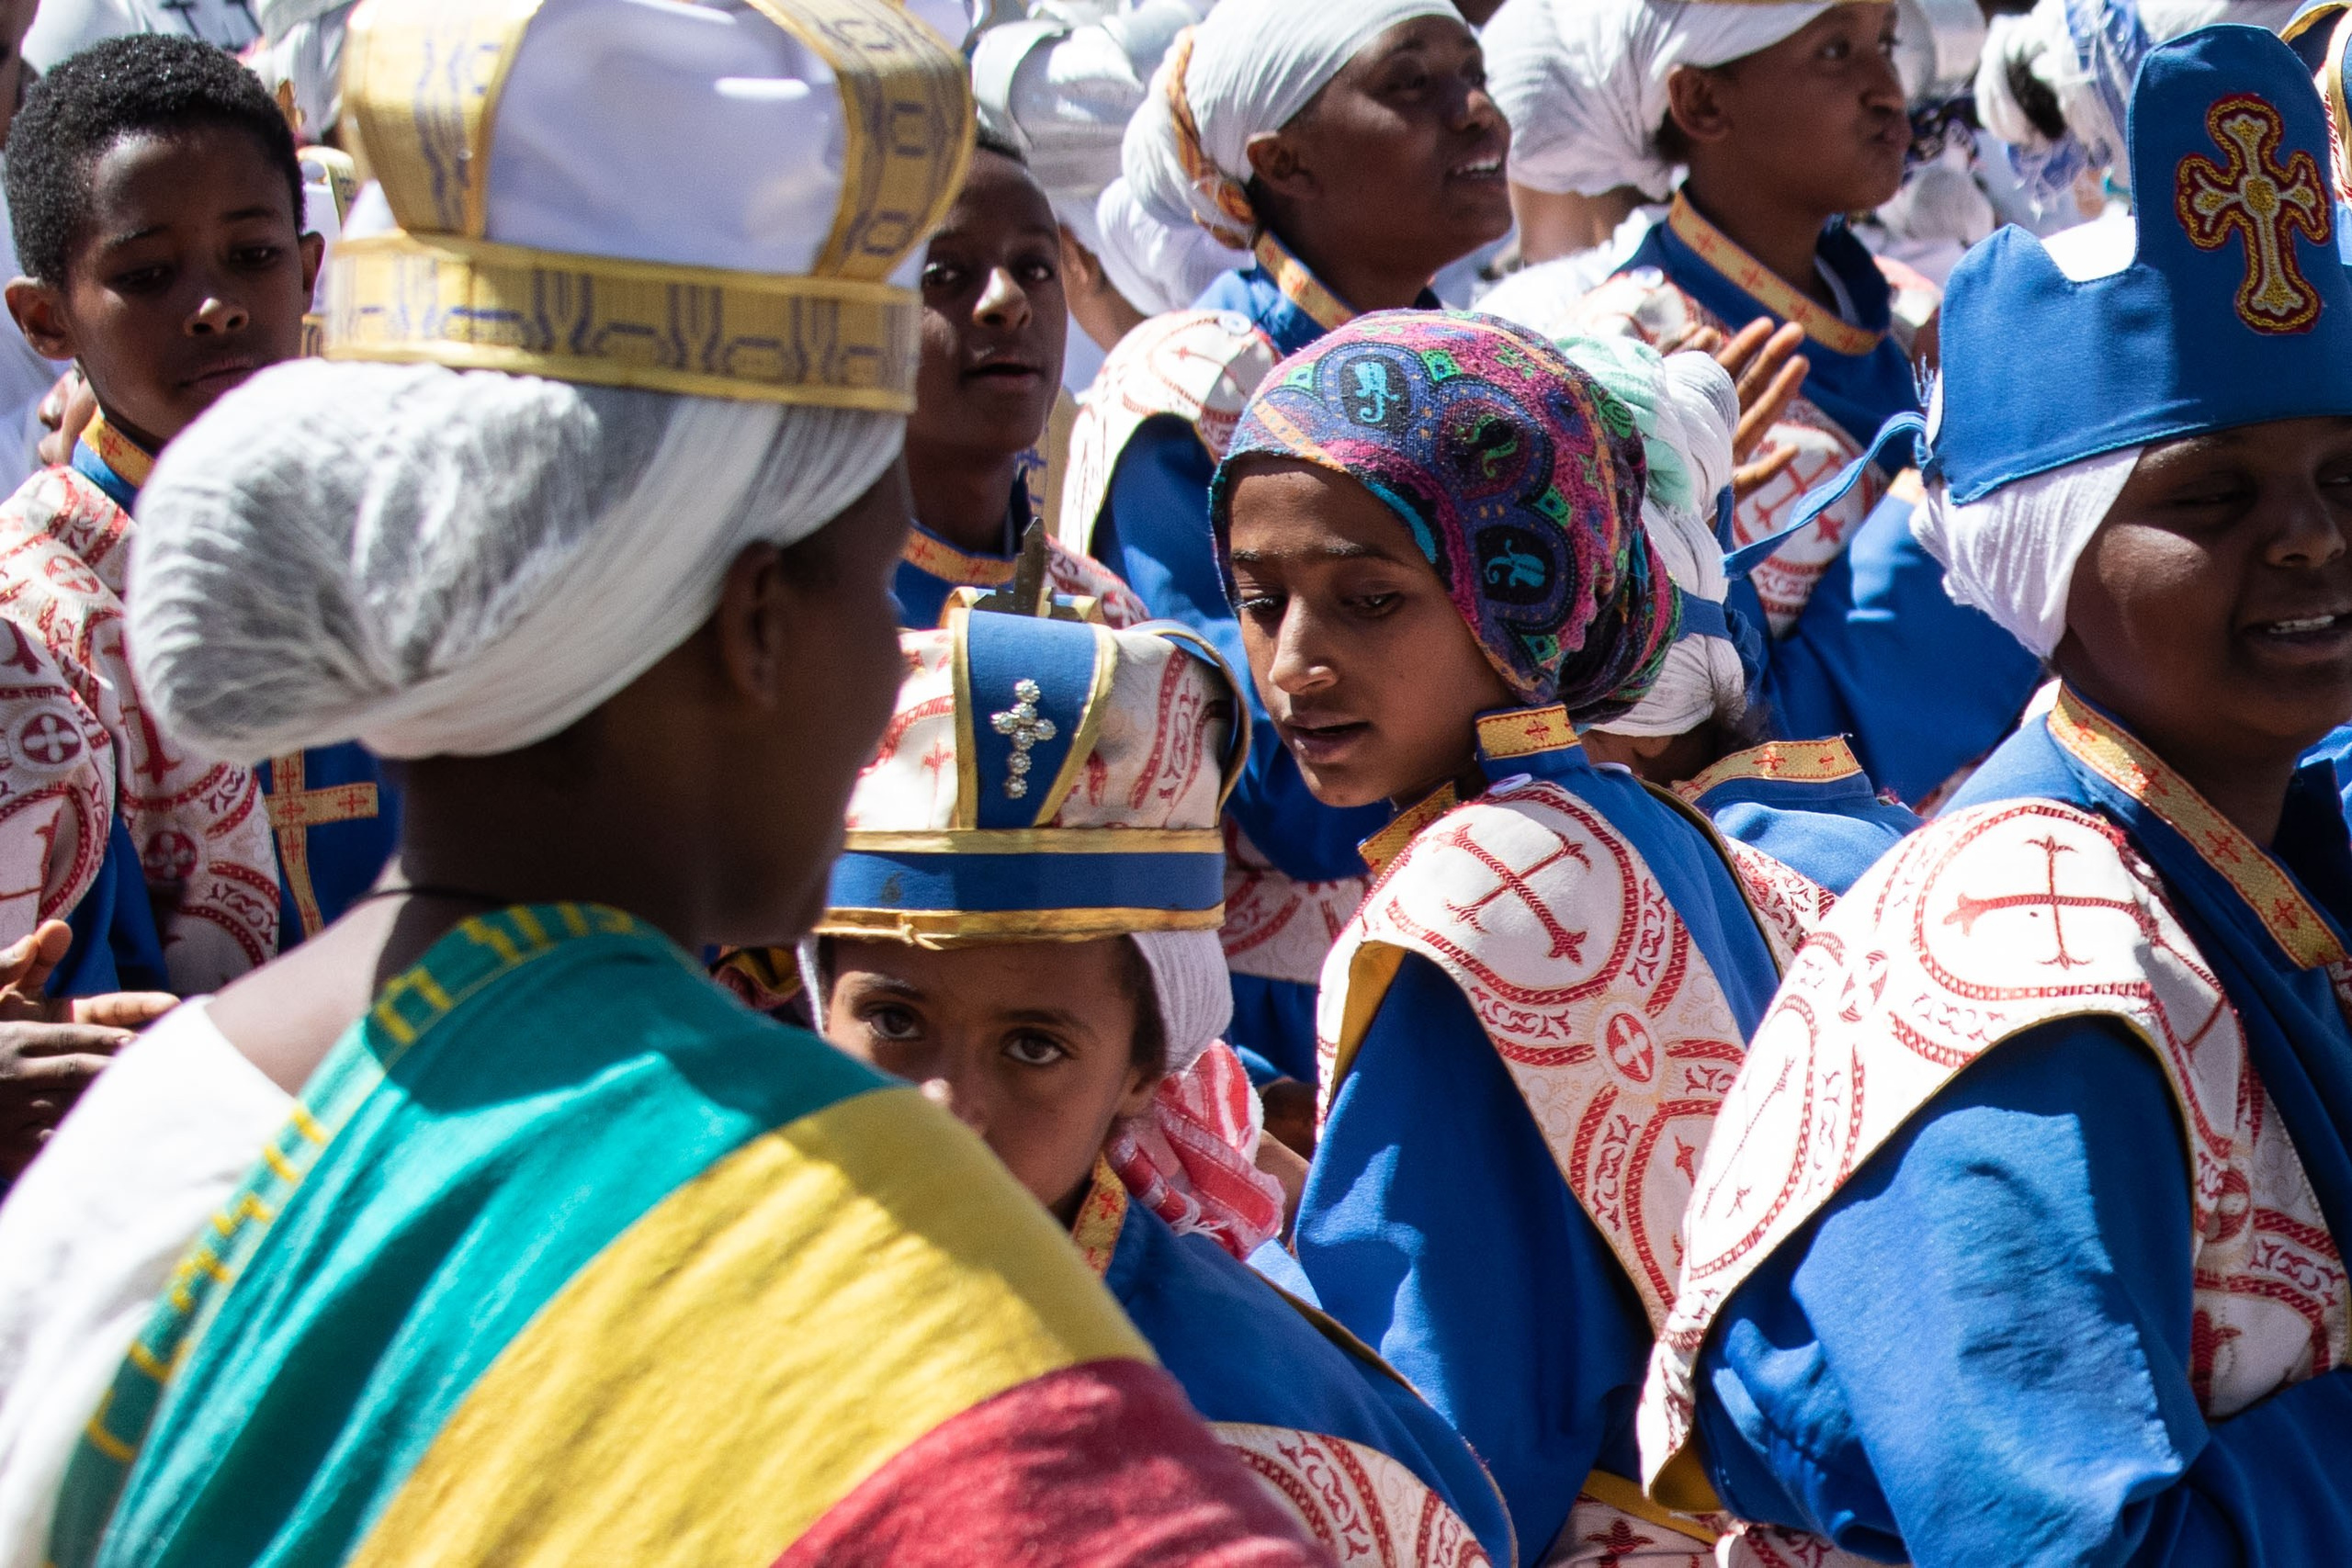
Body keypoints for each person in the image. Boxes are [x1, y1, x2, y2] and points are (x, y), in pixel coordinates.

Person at [6, 4, 1333, 1564]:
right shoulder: (876, 1244)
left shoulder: (139, 1141)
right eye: (866, 587)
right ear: (758, 621)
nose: (881, 678)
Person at [1640, 26, 2352, 1567]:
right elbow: (2073, 1547)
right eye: (2211, 496)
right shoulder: (2012, 985)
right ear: (2054, 557)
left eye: (2345, 479)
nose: (2306, 539)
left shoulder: (2259, 846)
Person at [1213, 310, 1784, 1564]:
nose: (1295, 662)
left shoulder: (1459, 904)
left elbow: (1452, 1422)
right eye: (1260, 601)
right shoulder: (1653, 822)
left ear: (1516, 588)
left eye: (1369, 598)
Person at [815, 599, 1515, 1566]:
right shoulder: (690, 1286)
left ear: (1144, 1067)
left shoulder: (1255, 1449)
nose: (945, 1109)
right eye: (894, 1023)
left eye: (1031, 1048)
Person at [1057, 0, 1516, 1102]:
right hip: (1287, 1027)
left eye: (1474, 73)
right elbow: (1297, 787)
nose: (1478, 115)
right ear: (1286, 162)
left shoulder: (1488, 368)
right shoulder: (1195, 384)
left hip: (1488, 946)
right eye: (1412, 86)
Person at [1483, 0, 2044, 807]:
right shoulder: (1622, 365)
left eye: (1882, 44)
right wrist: (1968, 465)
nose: (1888, 89)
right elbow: (1697, 735)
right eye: (1833, 51)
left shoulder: (1906, 313)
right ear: (1704, 103)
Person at [0, 34, 401, 991]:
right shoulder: (35, 618)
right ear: (46, 321)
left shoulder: (418, 538)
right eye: (146, 276)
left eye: (253, 255)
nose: (216, 306)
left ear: (309, 271)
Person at [1532, 331, 1918, 946]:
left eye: (1527, 735)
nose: (1500, 783)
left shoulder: (1676, 894)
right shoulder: (1858, 847)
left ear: (1642, 727)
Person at [899, 130, 1148, 629]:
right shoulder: (798, 608)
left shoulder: (1108, 618)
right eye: (943, 274)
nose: (1009, 301)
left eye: (1034, 268)